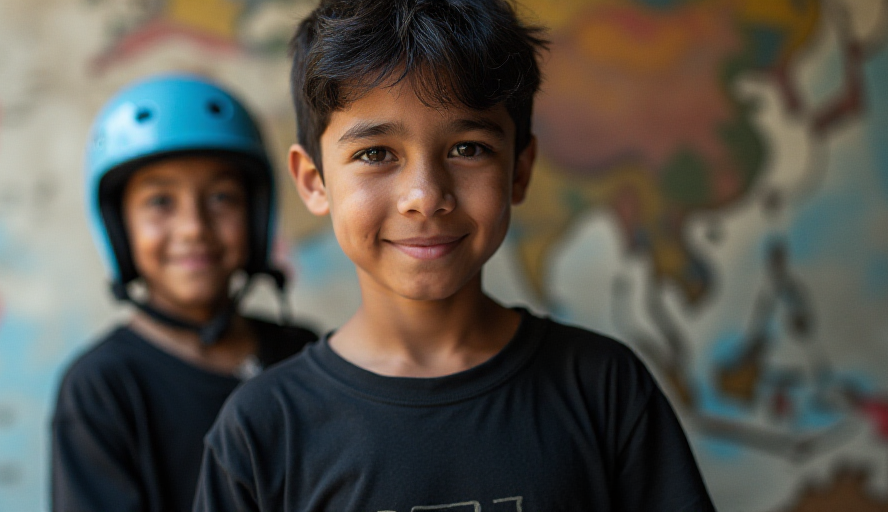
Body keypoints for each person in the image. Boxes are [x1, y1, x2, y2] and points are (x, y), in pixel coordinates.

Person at [194, 0, 716, 510]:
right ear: (314, 182)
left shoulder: (602, 388)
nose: (424, 196)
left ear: (519, 169)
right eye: (375, 154)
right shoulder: (263, 430)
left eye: (468, 148)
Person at [50, 74, 317, 512]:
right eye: (160, 202)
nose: (194, 228)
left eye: (221, 197)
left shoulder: (303, 353)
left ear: (255, 215)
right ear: (120, 228)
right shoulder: (102, 388)